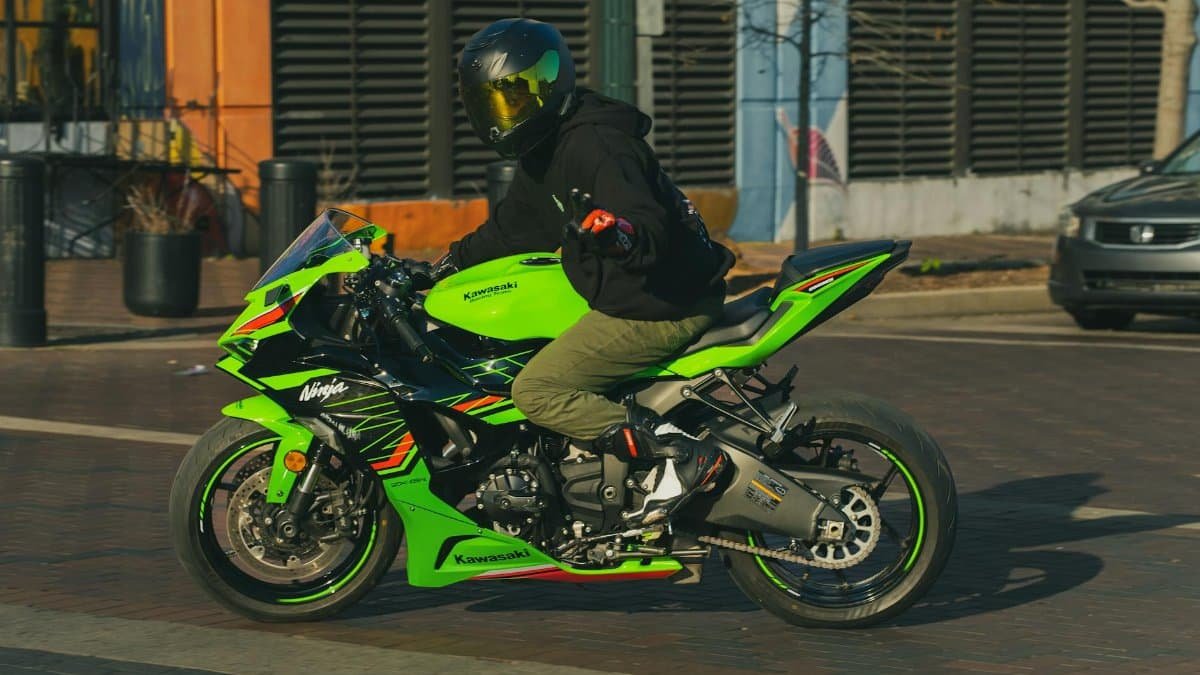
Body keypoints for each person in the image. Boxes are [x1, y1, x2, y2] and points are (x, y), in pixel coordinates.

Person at [415, 17, 735, 525]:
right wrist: (436, 270)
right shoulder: (545, 150)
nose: (503, 113)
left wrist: (619, 237)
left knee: (538, 390)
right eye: (493, 102)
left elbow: (644, 222)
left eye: (514, 97)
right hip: (630, 293)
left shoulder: (597, 145)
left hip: (662, 303)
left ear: (547, 84)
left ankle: (678, 452)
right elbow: (510, 232)